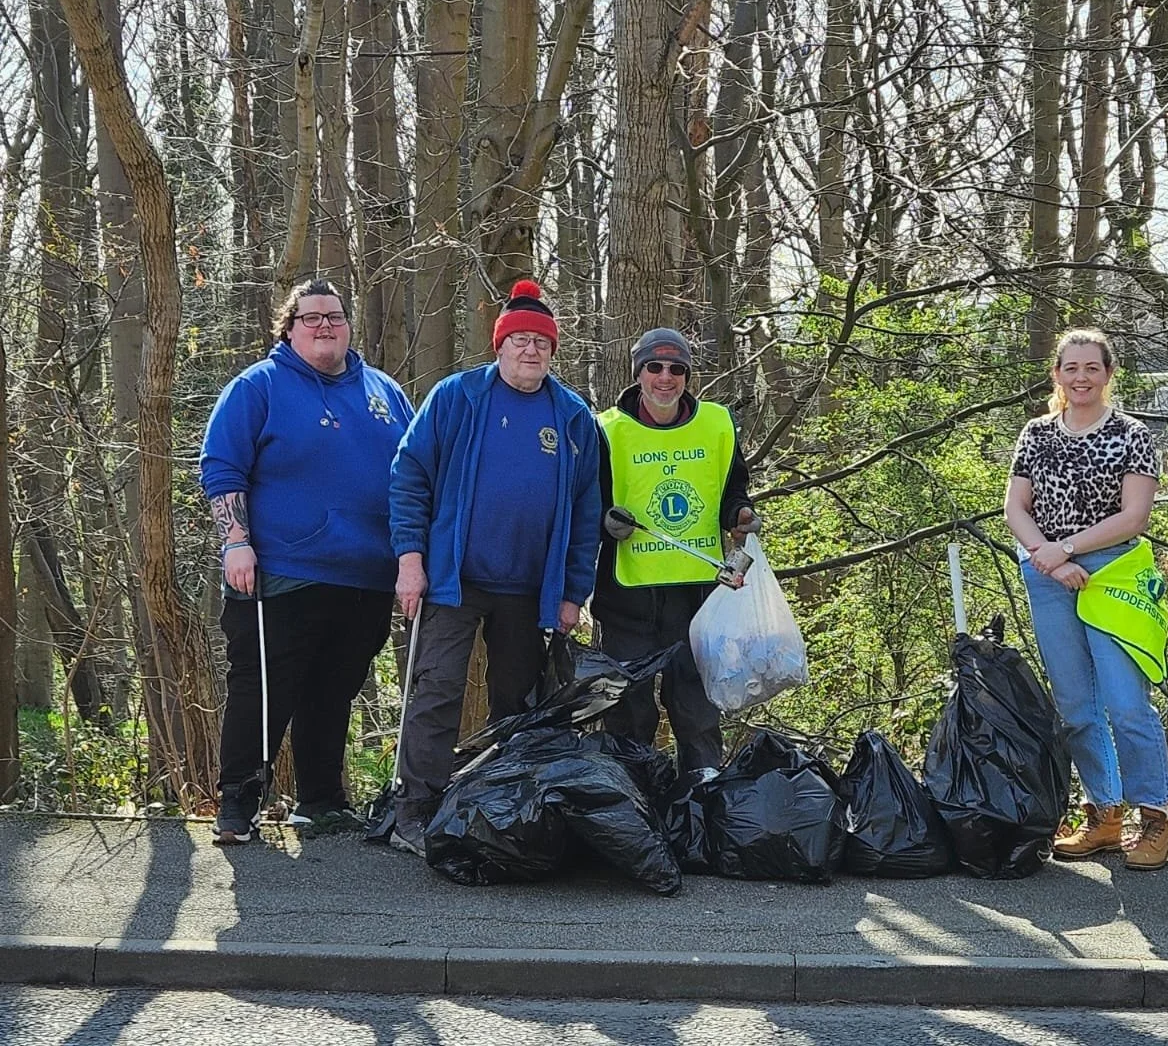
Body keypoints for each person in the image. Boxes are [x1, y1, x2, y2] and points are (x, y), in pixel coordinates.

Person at [387, 279, 602, 856]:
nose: (530, 350)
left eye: (541, 342)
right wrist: (411, 560)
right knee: (435, 690)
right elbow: (410, 477)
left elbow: (587, 512)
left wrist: (573, 594)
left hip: (532, 589)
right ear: (498, 346)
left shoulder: (574, 417)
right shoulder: (456, 398)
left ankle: (502, 808)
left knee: (519, 701)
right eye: (519, 341)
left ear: (553, 351)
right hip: (453, 578)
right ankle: (415, 810)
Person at [200, 278, 415, 844]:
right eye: (312, 317)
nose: (325, 326)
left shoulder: (384, 392)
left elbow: (416, 477)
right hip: (281, 573)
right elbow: (222, 467)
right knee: (264, 689)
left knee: (334, 690)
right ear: (289, 328)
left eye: (335, 316)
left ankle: (321, 801)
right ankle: (238, 805)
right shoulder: (259, 387)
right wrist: (235, 541)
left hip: (367, 575)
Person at [1004, 329, 1168, 870]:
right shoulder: (1036, 434)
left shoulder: (1131, 434)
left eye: (1092, 368)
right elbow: (1015, 507)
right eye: (1071, 368)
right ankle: (1105, 814)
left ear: (1108, 373)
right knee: (1077, 707)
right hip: (1048, 573)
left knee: (1126, 703)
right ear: (1057, 374)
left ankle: (1156, 815)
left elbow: (1135, 516)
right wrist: (1048, 557)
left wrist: (1068, 548)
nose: (1081, 377)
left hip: (1115, 572)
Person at [595, 327, 759, 773]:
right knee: (628, 714)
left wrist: (741, 515)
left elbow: (732, 490)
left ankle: (702, 807)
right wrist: (604, 522)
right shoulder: (606, 430)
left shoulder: (717, 424)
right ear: (638, 373)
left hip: (697, 603)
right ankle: (632, 812)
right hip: (627, 602)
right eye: (654, 367)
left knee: (697, 714)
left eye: (676, 369)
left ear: (688, 376)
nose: (664, 378)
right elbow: (586, 503)